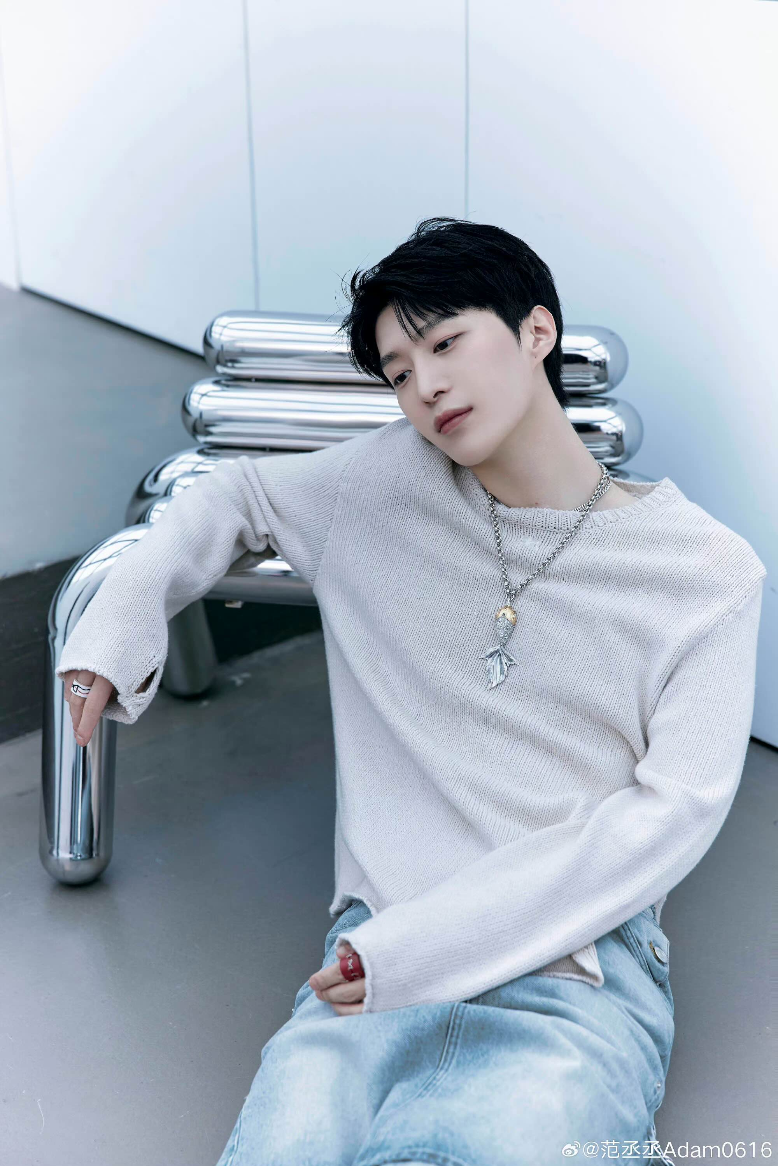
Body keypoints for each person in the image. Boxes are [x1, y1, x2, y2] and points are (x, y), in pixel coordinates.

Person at [57, 217, 765, 1166]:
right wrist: (121, 616)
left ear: (537, 332)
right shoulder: (382, 487)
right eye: (397, 372)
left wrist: (427, 948)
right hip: (373, 957)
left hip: (576, 969)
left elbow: (667, 818)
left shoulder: (706, 574)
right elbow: (238, 496)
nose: (424, 386)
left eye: (445, 343)